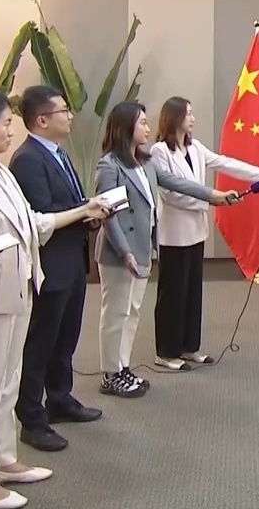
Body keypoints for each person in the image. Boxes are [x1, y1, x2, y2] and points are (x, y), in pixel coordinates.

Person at [0, 88, 108, 509]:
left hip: (17, 287)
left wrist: (81, 211)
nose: (11, 129)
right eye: (5, 123)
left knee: (7, 380)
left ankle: (3, 458)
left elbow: (32, 222)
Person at [94, 101, 231, 397]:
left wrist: (214, 195)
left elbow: (178, 183)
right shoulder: (110, 165)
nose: (148, 127)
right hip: (119, 254)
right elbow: (108, 215)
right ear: (126, 127)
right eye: (142, 122)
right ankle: (110, 374)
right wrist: (125, 252)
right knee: (116, 314)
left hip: (142, 249)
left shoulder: (145, 162)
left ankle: (123, 366)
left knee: (132, 312)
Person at [148, 96, 259, 370]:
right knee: (172, 294)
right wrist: (212, 199)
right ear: (174, 117)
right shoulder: (159, 152)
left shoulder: (195, 147)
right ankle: (167, 351)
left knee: (192, 291)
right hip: (173, 234)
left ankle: (189, 347)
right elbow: (171, 193)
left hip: (196, 231)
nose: (193, 118)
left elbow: (226, 163)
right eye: (188, 114)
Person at [8, 85, 107, 452]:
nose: (70, 116)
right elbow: (42, 216)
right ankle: (32, 418)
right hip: (50, 265)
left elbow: (71, 203)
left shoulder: (58, 153)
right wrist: (83, 210)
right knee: (41, 343)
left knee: (66, 337)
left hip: (72, 260)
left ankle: (60, 398)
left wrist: (90, 214)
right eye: (63, 111)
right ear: (41, 120)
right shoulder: (27, 160)